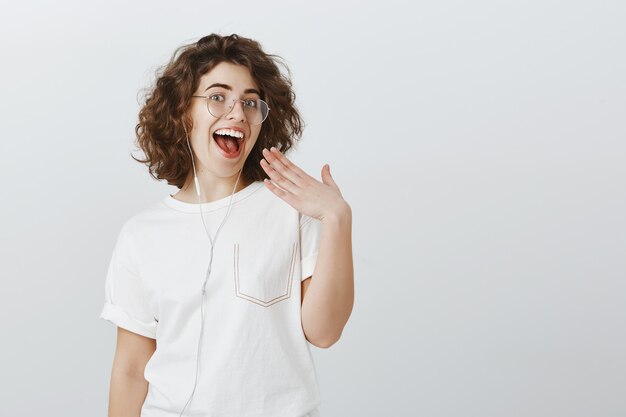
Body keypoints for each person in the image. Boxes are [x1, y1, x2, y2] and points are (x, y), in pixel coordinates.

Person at [99, 33, 354, 417]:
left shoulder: (290, 210)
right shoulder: (141, 236)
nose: (237, 113)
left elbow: (324, 331)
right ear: (184, 111)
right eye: (217, 97)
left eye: (250, 102)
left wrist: (337, 219)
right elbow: (132, 370)